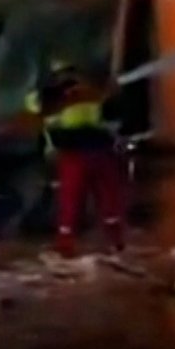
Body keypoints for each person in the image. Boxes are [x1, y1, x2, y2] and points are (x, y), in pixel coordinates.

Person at [28, 59, 127, 257]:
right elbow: (39, 111)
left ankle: (104, 242)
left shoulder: (82, 95)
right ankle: (91, 243)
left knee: (89, 200)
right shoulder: (63, 95)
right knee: (86, 200)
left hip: (87, 152)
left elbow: (111, 117)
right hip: (86, 152)